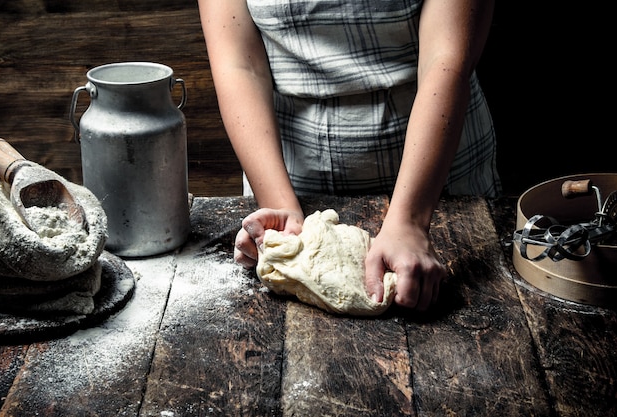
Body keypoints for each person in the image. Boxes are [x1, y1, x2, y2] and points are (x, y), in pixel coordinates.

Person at [197, 0, 500, 311]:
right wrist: (278, 206)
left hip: (436, 190)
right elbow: (239, 67)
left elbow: (445, 58)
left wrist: (410, 221)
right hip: (286, 175)